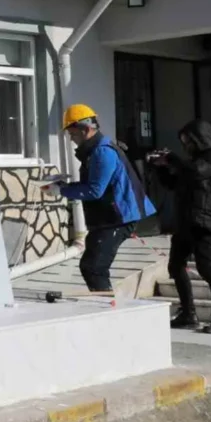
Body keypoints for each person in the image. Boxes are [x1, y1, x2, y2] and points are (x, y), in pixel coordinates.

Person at [50, 104, 157, 292]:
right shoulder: (95, 151)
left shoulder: (102, 152)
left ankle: (107, 308)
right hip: (108, 218)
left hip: (119, 218)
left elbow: (95, 190)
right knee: (91, 266)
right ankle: (105, 303)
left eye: (73, 134)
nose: (72, 140)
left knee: (94, 267)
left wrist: (62, 191)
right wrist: (63, 186)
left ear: (85, 130)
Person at [148, 119, 211, 333]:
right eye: (183, 143)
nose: (186, 146)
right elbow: (173, 184)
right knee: (175, 266)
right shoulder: (192, 162)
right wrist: (161, 168)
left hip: (205, 221)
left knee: (206, 267)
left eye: (188, 141)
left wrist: (172, 159)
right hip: (186, 222)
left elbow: (196, 172)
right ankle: (188, 313)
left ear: (199, 139)